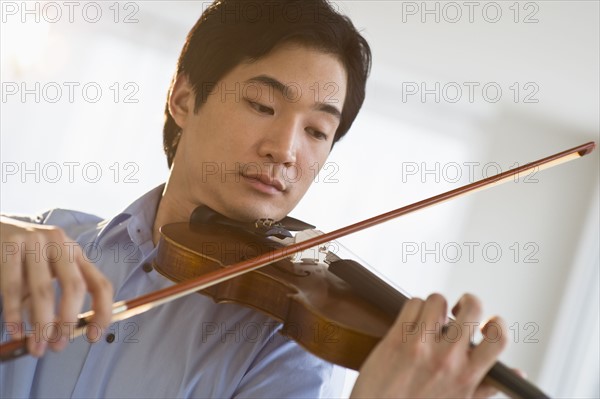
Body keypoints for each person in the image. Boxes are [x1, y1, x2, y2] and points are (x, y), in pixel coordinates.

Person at [0, 0, 507, 397]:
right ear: (183, 99)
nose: (285, 150)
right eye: (262, 105)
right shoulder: (39, 245)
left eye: (316, 130)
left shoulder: (286, 348)